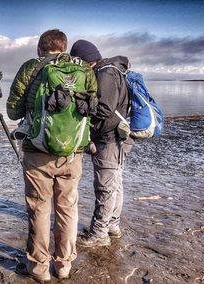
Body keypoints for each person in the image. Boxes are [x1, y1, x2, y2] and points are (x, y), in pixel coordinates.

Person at [7, 30, 97, 282]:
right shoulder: (84, 70)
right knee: (67, 208)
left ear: (40, 48)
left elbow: (13, 112)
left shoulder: (30, 67)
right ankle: (65, 265)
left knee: (39, 209)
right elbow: (91, 106)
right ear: (64, 47)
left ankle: (39, 269)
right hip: (73, 152)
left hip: (38, 152)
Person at [70, 40, 134, 247]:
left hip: (109, 139)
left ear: (85, 60)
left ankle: (99, 233)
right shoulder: (113, 70)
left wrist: (80, 107)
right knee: (115, 183)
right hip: (117, 136)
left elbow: (104, 110)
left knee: (105, 187)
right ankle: (112, 225)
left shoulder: (105, 73)